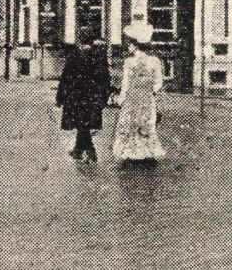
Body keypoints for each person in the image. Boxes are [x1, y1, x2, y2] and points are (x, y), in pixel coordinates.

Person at [112, 23, 167, 165]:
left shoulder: (129, 62)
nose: (128, 47)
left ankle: (132, 155)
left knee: (130, 125)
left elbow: (125, 84)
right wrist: (150, 91)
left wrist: (120, 100)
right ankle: (148, 155)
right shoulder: (154, 61)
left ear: (135, 45)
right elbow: (159, 82)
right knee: (147, 125)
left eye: (129, 44)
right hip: (147, 99)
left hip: (132, 98)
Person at [55, 38, 111, 162]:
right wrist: (104, 97)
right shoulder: (98, 59)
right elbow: (105, 79)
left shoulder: (73, 57)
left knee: (82, 125)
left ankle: (89, 152)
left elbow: (65, 79)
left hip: (76, 98)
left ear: (81, 44)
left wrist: (60, 98)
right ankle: (79, 150)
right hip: (92, 98)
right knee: (84, 124)